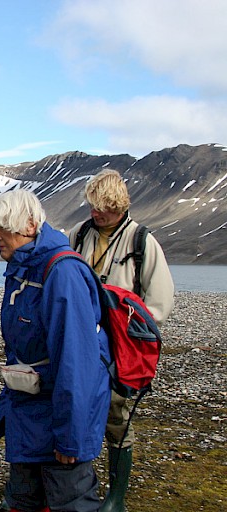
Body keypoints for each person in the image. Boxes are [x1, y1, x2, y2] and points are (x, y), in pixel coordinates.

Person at [0, 189, 111, 512]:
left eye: (3, 227)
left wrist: (71, 437)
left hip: (56, 420)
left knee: (71, 502)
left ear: (30, 225)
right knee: (23, 501)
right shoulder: (22, 268)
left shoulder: (62, 273)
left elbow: (77, 363)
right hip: (28, 414)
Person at [68, 169, 174, 512]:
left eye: (102, 208)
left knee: (117, 414)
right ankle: (76, 488)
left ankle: (116, 498)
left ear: (118, 205)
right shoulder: (79, 234)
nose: (95, 213)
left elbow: (159, 303)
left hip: (120, 345)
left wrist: (131, 331)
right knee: (78, 407)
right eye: (92, 206)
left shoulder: (142, 242)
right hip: (83, 339)